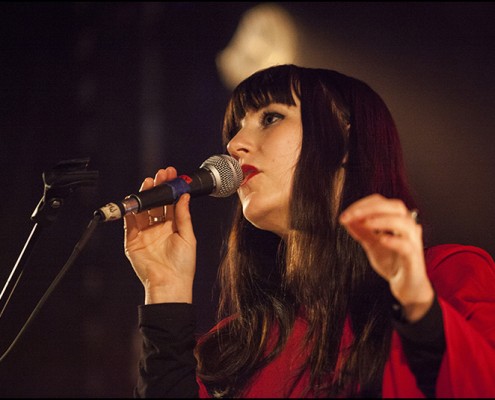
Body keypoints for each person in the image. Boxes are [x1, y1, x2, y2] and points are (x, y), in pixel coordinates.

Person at [123, 64, 495, 398]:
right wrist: (165, 287)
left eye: (271, 118)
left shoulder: (450, 277)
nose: (235, 145)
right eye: (236, 128)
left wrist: (417, 305)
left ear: (345, 139)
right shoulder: (236, 346)